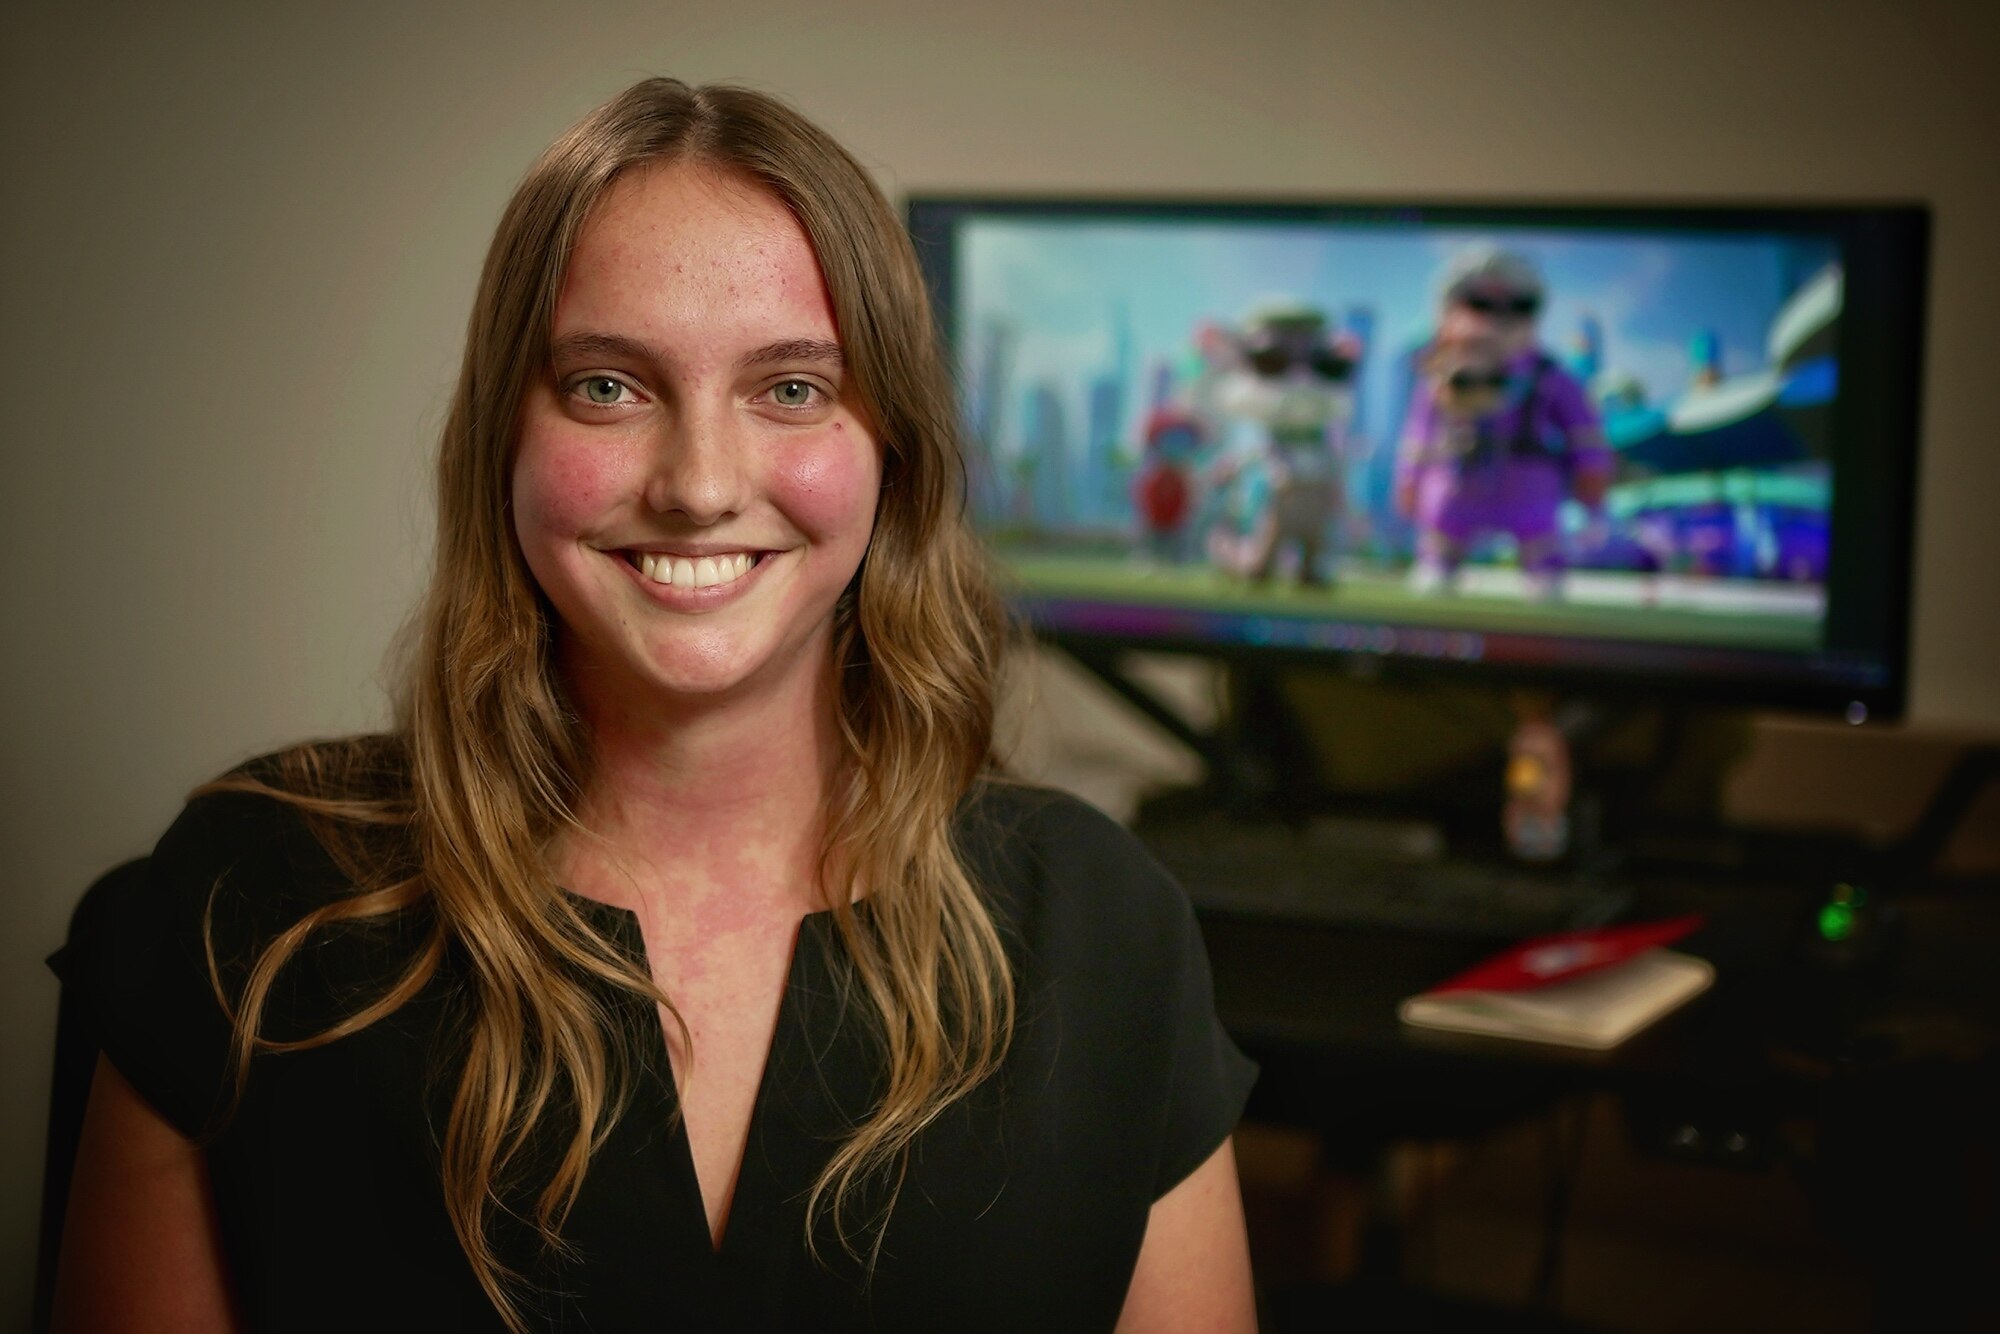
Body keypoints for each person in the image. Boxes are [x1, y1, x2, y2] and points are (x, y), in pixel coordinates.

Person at [49, 79, 1259, 1333]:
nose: (696, 485)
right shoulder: (255, 898)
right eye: (608, 387)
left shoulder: (1101, 927)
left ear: (889, 446)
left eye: (790, 387)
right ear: (502, 438)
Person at [1394, 246, 1614, 599]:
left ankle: (1543, 570)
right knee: (1441, 539)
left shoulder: (1547, 375)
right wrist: (1409, 481)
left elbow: (1583, 431)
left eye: (1518, 307)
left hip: (1527, 487)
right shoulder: (1438, 376)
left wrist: (1591, 472)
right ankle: (1440, 561)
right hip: (1455, 484)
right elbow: (1419, 435)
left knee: (1541, 548)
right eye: (1480, 306)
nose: (1497, 320)